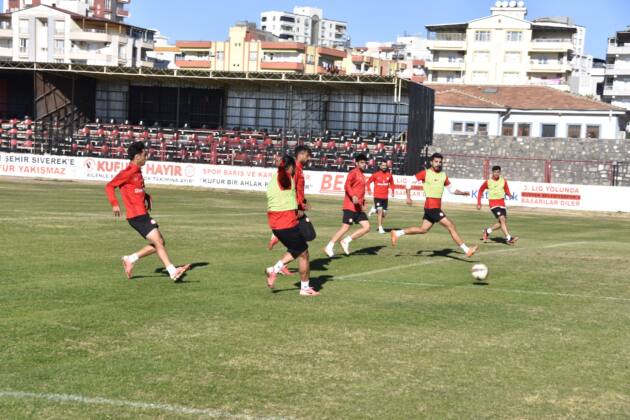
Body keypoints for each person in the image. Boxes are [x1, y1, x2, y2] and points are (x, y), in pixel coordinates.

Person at [105, 142, 190, 282]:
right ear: (137, 156)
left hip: (142, 214)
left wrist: (145, 196)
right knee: (158, 242)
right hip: (136, 216)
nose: (147, 157)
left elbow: (135, 189)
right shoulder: (128, 172)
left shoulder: (137, 171)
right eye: (145, 154)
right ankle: (172, 271)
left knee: (160, 242)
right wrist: (115, 204)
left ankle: (130, 259)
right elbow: (109, 186)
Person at [390, 153, 478, 257]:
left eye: (440, 162)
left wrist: (462, 193)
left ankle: (397, 233)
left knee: (423, 229)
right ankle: (467, 250)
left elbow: (451, 190)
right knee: (451, 226)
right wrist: (408, 196)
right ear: (431, 162)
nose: (438, 164)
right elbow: (409, 181)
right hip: (432, 207)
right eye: (436, 162)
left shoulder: (443, 175)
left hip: (432, 208)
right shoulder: (425, 173)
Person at [265, 155, 319, 296]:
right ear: (290, 167)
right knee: (304, 254)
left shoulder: (273, 179)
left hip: (275, 225)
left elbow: (285, 198)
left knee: (297, 250)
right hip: (286, 223)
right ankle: (305, 288)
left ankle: (274, 270)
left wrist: (300, 206)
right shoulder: (288, 179)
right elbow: (292, 195)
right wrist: (301, 207)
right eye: (294, 167)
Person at [268, 145, 312, 253]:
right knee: (307, 235)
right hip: (294, 209)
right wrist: (299, 206)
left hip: (297, 207)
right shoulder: (295, 169)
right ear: (300, 155)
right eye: (307, 155)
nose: (309, 158)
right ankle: (276, 237)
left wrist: (303, 202)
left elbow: (298, 189)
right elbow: (291, 190)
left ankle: (281, 264)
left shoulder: (299, 169)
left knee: (304, 236)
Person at [324, 154, 370, 257]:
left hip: (358, 208)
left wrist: (363, 202)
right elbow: (347, 185)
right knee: (345, 228)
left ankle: (345, 241)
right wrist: (352, 195)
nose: (364, 164)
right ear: (356, 163)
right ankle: (329, 246)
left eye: (365, 162)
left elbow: (360, 191)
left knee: (367, 227)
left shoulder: (362, 175)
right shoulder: (353, 173)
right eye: (362, 162)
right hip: (350, 206)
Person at [477, 165, 519, 245]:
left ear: (500, 172)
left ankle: (487, 231)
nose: (496, 173)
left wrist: (509, 194)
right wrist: (479, 203)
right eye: (495, 172)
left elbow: (506, 189)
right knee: (502, 219)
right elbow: (480, 190)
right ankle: (509, 238)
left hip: (502, 203)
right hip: (493, 203)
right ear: (492, 172)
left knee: (501, 223)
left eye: (498, 172)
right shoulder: (488, 182)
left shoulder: (503, 181)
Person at [367, 160, 396, 234]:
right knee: (380, 212)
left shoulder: (389, 175)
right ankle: (380, 228)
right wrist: (369, 189)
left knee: (384, 214)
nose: (384, 167)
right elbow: (368, 182)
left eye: (385, 166)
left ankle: (374, 209)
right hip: (377, 196)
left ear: (387, 166)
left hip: (385, 197)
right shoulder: (375, 175)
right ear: (380, 166)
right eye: (382, 165)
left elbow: (392, 184)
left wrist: (392, 191)